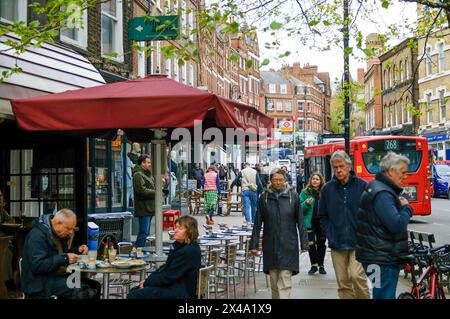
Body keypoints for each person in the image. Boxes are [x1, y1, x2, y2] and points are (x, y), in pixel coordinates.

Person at [356, 152, 413, 299]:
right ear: (390, 172)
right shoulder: (383, 194)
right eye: (403, 172)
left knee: (380, 294)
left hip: (376, 256)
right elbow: (396, 224)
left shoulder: (376, 187)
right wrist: (407, 208)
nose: (405, 176)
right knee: (384, 295)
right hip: (381, 258)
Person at [318, 150, 370, 299]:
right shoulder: (328, 189)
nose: (338, 170)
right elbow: (322, 215)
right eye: (335, 167)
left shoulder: (362, 186)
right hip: (337, 242)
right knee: (343, 282)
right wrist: (330, 233)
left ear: (349, 166)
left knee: (355, 276)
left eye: (341, 166)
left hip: (359, 242)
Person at [249, 169, 309, 299]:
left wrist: (304, 243)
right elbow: (257, 223)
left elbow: (300, 221)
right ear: (271, 180)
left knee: (284, 281)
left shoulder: (294, 197)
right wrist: (253, 245)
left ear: (285, 180)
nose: (278, 182)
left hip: (288, 245)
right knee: (274, 283)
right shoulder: (264, 198)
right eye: (275, 179)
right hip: (270, 245)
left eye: (280, 179)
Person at [21, 209, 100, 299]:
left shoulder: (57, 233)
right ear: (58, 223)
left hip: (55, 276)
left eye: (72, 229)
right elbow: (38, 265)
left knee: (94, 285)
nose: (71, 232)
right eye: (69, 228)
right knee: (82, 290)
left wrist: (78, 250)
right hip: (40, 283)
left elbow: (62, 254)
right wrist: (65, 258)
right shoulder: (37, 236)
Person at [127, 216, 201, 299]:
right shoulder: (180, 245)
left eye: (180, 228)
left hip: (180, 292)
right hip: (175, 286)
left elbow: (169, 276)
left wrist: (147, 282)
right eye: (175, 227)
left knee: (134, 295)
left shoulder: (187, 250)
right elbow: (166, 268)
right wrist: (148, 281)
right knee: (135, 291)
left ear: (189, 231)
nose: (175, 230)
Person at [300, 172, 327, 275]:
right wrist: (306, 204)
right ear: (310, 181)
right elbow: (300, 209)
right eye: (313, 179)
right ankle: (314, 265)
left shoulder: (325, 192)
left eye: (317, 179)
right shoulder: (304, 192)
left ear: (321, 181)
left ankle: (321, 265)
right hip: (309, 222)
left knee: (321, 244)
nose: (315, 181)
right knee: (311, 244)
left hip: (321, 222)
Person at [133, 155, 156, 248]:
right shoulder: (138, 174)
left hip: (149, 207)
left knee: (144, 232)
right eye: (148, 162)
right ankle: (140, 251)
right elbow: (141, 190)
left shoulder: (147, 173)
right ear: (142, 163)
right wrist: (156, 192)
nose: (150, 164)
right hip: (144, 207)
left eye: (150, 162)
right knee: (143, 232)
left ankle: (139, 250)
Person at [0, 190, 16, 295]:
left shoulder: (1, 211)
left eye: (1, 196)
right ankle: (5, 281)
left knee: (12, 249)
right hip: (1, 240)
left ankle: (10, 279)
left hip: (5, 239)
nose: (0, 198)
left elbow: (11, 221)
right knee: (5, 252)